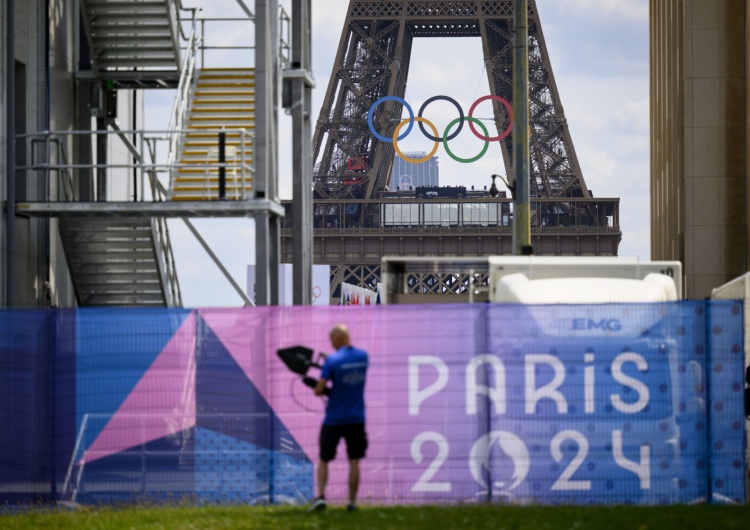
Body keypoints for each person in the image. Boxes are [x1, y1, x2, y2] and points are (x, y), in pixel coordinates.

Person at [306, 323, 369, 512]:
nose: (331, 345)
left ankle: (321, 497)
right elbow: (349, 380)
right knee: (354, 460)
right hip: (356, 418)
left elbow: (319, 390)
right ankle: (351, 502)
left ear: (339, 338)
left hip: (334, 418)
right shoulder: (363, 357)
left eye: (332, 341)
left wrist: (316, 383)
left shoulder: (332, 361)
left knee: (324, 459)